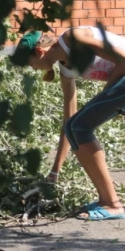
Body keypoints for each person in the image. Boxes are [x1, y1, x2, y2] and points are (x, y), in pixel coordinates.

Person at [12, 26, 125, 221]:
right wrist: (55, 170)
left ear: (39, 52)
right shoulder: (66, 70)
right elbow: (69, 120)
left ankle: (112, 204)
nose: (33, 69)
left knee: (80, 126)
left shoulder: (74, 38)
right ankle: (106, 200)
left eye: (30, 64)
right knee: (76, 126)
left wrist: (103, 98)